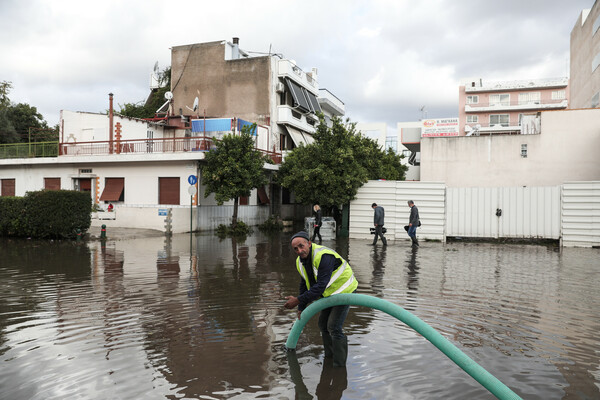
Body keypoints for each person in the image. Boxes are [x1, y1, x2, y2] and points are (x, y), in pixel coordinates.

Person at [284, 231, 359, 367]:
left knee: (334, 326)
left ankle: (339, 366)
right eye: (296, 249)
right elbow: (304, 284)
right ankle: (329, 358)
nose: (300, 251)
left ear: (309, 243)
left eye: (301, 246)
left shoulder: (323, 256)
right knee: (322, 324)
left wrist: (297, 300)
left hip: (345, 290)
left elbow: (319, 287)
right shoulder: (300, 262)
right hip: (329, 294)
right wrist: (301, 307)